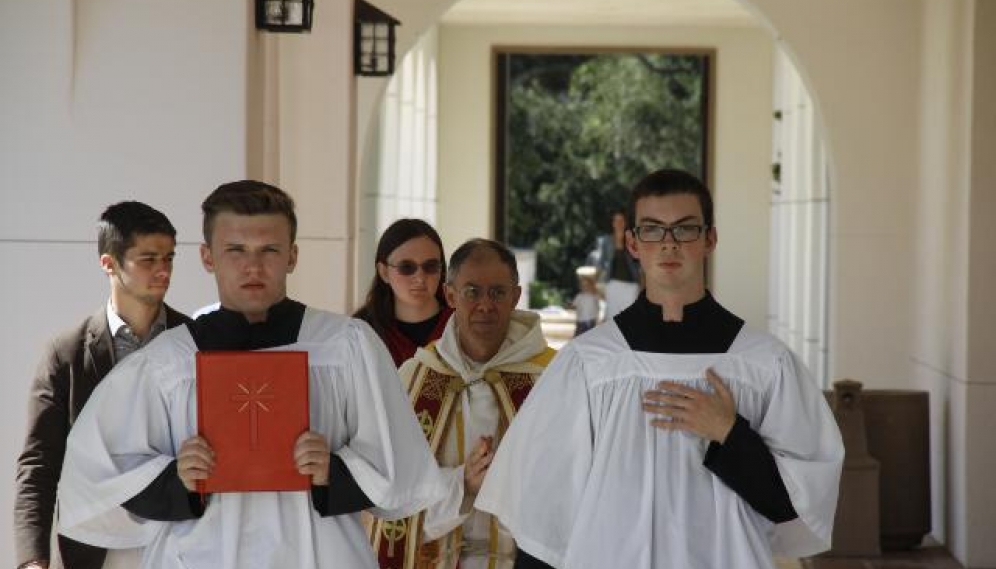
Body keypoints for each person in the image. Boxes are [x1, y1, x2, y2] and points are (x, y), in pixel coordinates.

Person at [56, 180, 445, 569]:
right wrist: (178, 480)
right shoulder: (165, 364)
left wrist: (336, 470)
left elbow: (399, 465)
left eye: (269, 250)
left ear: (292, 256)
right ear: (208, 257)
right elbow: (99, 471)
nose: (253, 266)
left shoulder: (345, 347)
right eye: (236, 250)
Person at [477, 169, 844, 569]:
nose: (669, 245)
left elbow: (794, 507)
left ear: (710, 239)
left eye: (685, 230)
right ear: (633, 243)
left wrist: (731, 434)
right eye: (653, 230)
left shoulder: (763, 363)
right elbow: (543, 520)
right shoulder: (588, 364)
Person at [14, 201, 191, 569]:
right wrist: (32, 559)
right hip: (93, 551)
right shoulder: (65, 353)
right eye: (148, 259)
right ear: (109, 263)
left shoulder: (196, 342)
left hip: (181, 543)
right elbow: (40, 463)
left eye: (169, 258)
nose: (163, 271)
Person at [371, 238, 555, 569]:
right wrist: (463, 486)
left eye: (497, 292)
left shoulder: (552, 379)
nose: (485, 305)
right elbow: (390, 493)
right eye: (472, 292)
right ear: (451, 295)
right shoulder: (413, 378)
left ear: (515, 296)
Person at [354, 219, 454, 367]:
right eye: (406, 267)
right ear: (384, 272)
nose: (420, 278)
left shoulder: (461, 324)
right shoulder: (361, 333)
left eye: (430, 266)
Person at [588, 209, 641, 318]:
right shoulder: (606, 241)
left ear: (626, 222)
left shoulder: (633, 240)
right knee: (612, 318)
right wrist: (595, 283)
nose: (619, 223)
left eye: (621, 220)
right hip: (612, 284)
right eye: (616, 221)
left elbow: (640, 264)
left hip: (631, 284)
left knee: (631, 318)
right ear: (612, 223)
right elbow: (601, 264)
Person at [571, 271, 599, 337]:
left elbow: (597, 308)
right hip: (581, 320)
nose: (585, 287)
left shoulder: (594, 296)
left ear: (591, 286)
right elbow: (573, 305)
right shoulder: (579, 296)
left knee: (586, 337)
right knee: (579, 336)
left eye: (587, 285)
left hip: (590, 320)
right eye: (583, 285)